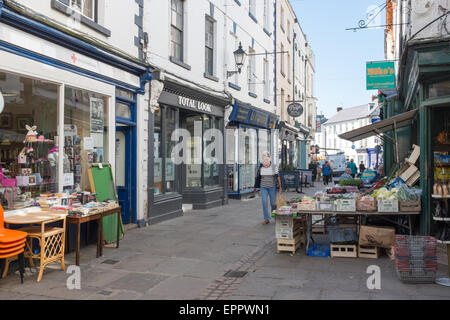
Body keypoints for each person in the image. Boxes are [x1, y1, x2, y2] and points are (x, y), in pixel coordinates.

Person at [254, 151, 282, 225]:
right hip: (263, 187)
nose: (265, 158)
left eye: (266, 156)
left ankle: (274, 215)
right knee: (264, 202)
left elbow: (278, 177)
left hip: (272, 187)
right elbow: (258, 177)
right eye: (263, 157)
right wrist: (255, 187)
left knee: (273, 204)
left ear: (269, 158)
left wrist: (280, 187)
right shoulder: (260, 167)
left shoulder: (273, 166)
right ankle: (266, 219)